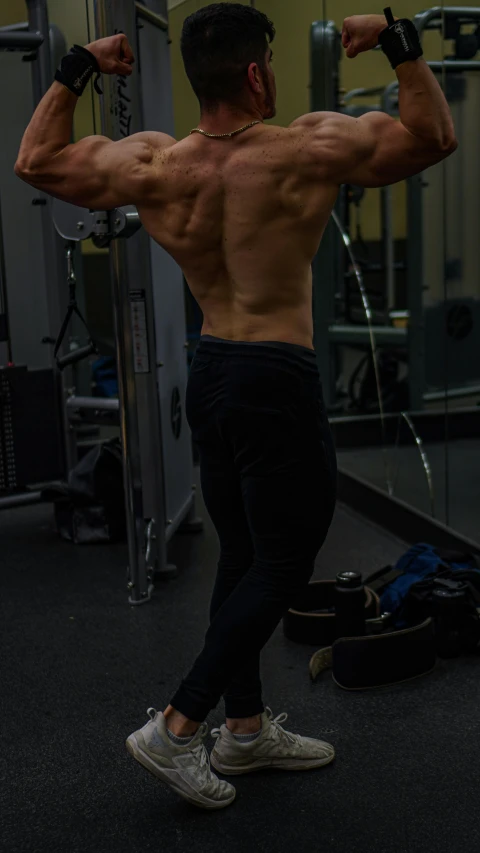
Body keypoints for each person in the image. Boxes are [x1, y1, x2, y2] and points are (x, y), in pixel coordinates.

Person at [15, 4, 457, 811]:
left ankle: (245, 730)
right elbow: (433, 136)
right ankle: (178, 726)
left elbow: (35, 160)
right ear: (258, 75)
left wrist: (77, 64)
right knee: (284, 565)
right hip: (276, 377)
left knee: (244, 556)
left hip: (212, 370)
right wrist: (397, 42)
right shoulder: (307, 146)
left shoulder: (154, 162)